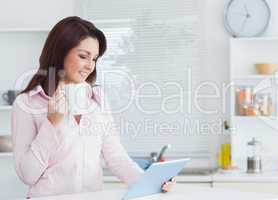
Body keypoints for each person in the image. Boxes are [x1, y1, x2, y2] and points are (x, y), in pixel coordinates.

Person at [11, 16, 175, 198]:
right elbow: (28, 174)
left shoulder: (98, 100)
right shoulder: (27, 104)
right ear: (60, 52)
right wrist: (51, 124)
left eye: (95, 59)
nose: (90, 66)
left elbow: (116, 158)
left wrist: (151, 183)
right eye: (83, 56)